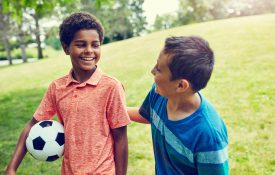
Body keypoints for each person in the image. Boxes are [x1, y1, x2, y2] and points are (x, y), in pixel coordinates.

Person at [4, 12, 131, 175]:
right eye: (81, 44)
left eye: (95, 44)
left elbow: (120, 138)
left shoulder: (111, 86)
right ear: (66, 48)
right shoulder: (57, 88)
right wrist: (11, 168)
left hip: (103, 171)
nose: (89, 50)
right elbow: (32, 125)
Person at [128, 36, 229, 175]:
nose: (152, 71)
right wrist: (112, 108)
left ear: (181, 85)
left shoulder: (208, 135)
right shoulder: (159, 94)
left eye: (158, 69)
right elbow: (146, 115)